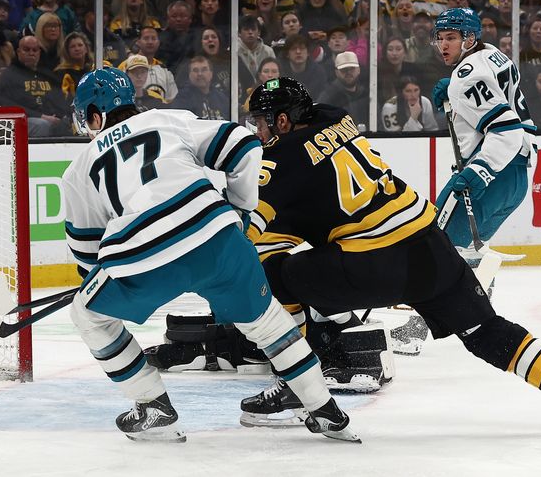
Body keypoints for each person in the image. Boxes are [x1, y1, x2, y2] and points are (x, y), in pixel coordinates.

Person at [63, 66, 358, 443]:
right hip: (217, 236)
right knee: (269, 323)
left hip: (144, 257)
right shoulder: (168, 120)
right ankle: (325, 410)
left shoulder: (78, 169)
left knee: (87, 314)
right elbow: (243, 143)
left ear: (94, 116)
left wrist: (98, 286)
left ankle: (153, 407)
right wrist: (242, 207)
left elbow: (87, 256)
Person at [236, 76, 541, 425]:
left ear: (282, 121)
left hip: (374, 264)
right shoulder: (334, 115)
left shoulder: (278, 162)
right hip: (430, 247)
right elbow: (318, 182)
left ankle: (298, 380)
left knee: (273, 272)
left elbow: (246, 232)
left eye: (261, 122)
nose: (258, 132)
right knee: (486, 333)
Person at [431, 8, 536, 260]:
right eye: (440, 38)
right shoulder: (494, 54)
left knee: (435, 245)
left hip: (491, 176)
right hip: (516, 181)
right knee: (469, 256)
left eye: (451, 38)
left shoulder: (466, 78)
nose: (443, 45)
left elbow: (507, 130)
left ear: (469, 39)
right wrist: (456, 93)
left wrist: (481, 170)